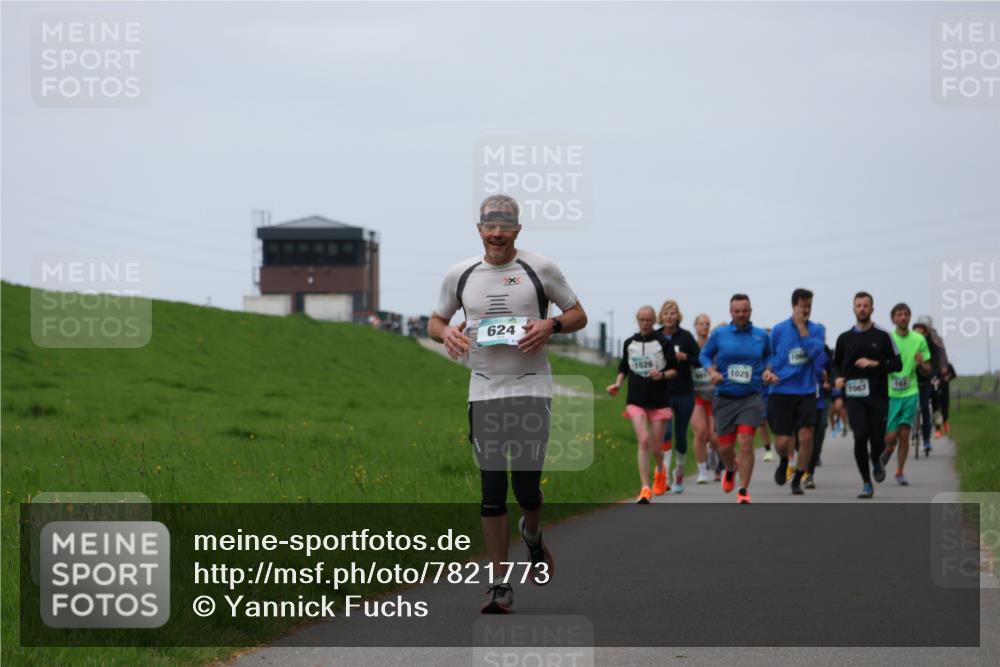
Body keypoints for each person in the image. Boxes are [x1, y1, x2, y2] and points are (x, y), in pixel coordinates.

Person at [429, 194, 587, 613]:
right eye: (489, 225)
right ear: (478, 228)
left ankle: (532, 537)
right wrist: (445, 333)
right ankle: (499, 583)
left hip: (532, 388)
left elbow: (578, 314)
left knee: (527, 489)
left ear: (518, 228)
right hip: (484, 390)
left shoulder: (541, 269)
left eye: (505, 226)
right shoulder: (460, 274)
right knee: (492, 490)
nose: (497, 233)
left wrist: (550, 324)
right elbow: (435, 320)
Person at [699, 294, 775, 504]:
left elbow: (769, 356)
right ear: (731, 312)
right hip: (724, 397)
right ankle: (731, 468)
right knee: (724, 448)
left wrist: (768, 371)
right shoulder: (720, 334)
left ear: (750, 311)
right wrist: (711, 371)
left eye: (745, 310)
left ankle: (743, 489)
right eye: (737, 311)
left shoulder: (760, 335)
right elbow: (704, 355)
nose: (741, 315)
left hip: (751, 397)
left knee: (746, 442)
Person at [833, 292, 902, 498]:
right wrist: (837, 379)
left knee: (877, 440)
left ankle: (876, 461)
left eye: (866, 305)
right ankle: (866, 483)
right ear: (853, 309)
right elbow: (835, 365)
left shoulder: (883, 336)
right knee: (860, 435)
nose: (862, 309)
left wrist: (876, 364)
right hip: (854, 395)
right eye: (859, 305)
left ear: (872, 309)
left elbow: (897, 364)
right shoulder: (844, 338)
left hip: (878, 395)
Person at [608, 306, 679, 502]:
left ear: (654, 320)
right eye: (642, 319)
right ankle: (645, 487)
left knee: (657, 447)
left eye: (649, 320)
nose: (645, 323)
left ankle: (660, 469)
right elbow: (624, 367)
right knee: (644, 440)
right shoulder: (630, 343)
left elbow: (675, 369)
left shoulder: (663, 342)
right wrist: (617, 384)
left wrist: (662, 375)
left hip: (658, 400)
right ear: (637, 320)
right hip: (636, 399)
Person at [768, 289, 826, 496]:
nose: (806, 310)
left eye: (809, 306)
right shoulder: (778, 330)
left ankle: (798, 478)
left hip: (806, 390)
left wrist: (802, 327)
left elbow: (813, 352)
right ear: (794, 306)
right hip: (781, 390)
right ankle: (784, 461)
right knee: (782, 442)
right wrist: (768, 371)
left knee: (806, 435)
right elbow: (770, 356)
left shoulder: (817, 330)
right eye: (802, 306)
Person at [880, 303, 932, 486]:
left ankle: (900, 471)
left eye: (906, 314)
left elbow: (927, 370)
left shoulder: (919, 340)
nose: (903, 317)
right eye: (899, 315)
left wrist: (921, 364)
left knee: (904, 433)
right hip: (891, 392)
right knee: (891, 435)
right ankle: (889, 448)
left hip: (911, 391)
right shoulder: (887, 339)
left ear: (910, 318)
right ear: (893, 319)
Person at [656, 300, 701, 493]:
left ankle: (680, 471)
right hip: (662, 392)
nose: (669, 316)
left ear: (678, 316)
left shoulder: (686, 337)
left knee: (681, 435)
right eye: (666, 313)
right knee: (666, 434)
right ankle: (663, 474)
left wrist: (686, 357)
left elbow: (700, 360)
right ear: (661, 316)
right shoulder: (655, 336)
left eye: (673, 313)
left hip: (684, 392)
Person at [691, 314, 720, 484]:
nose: (704, 327)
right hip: (696, 395)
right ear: (695, 326)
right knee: (700, 432)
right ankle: (702, 471)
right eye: (701, 324)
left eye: (707, 324)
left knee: (715, 438)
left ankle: (713, 452)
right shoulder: (691, 345)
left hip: (714, 395)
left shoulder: (714, 345)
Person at [912, 320, 937, 455]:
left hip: (925, 382)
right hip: (909, 382)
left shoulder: (929, 346)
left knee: (924, 407)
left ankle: (926, 439)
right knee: (909, 408)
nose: (918, 335)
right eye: (916, 332)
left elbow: (934, 364)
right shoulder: (908, 344)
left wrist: (933, 376)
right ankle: (911, 430)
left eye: (921, 333)